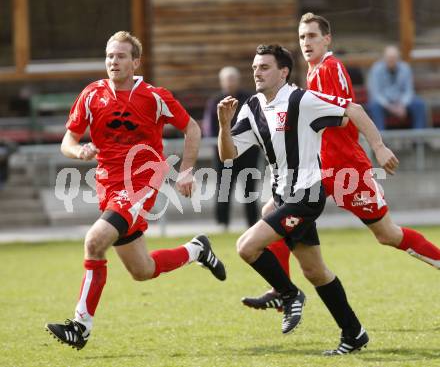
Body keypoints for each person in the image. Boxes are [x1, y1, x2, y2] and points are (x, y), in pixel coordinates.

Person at [242, 13, 440, 353]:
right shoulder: (313, 72)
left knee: (387, 235)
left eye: (313, 36)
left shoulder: (330, 68)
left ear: (327, 40)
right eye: (302, 37)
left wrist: (378, 145)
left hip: (347, 168)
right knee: (272, 208)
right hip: (321, 170)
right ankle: (284, 292)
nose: (306, 42)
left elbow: (348, 110)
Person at [45, 31, 226, 350]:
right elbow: (67, 142)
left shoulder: (154, 96)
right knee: (142, 270)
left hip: (142, 181)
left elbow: (192, 128)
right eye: (109, 55)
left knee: (94, 241)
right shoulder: (92, 94)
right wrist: (80, 152)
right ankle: (197, 250)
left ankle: (80, 327)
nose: (113, 61)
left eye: (120, 56)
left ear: (135, 62)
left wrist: (186, 170)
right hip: (108, 186)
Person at [218, 44, 398, 354]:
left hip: (307, 194)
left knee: (246, 246)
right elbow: (228, 155)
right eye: (255, 67)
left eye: (264, 67)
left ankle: (289, 295)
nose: (256, 72)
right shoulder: (251, 107)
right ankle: (354, 334)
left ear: (283, 71)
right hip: (283, 195)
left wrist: (379, 147)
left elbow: (352, 110)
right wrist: (223, 125)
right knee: (315, 272)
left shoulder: (301, 100)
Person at [203, 66, 259, 230]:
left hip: (248, 151)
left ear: (238, 80)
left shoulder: (250, 99)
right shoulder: (215, 102)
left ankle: (253, 223)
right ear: (221, 82)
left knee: (250, 189)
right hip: (225, 154)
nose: (229, 83)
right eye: (226, 80)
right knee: (224, 188)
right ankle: (223, 223)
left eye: (232, 79)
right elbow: (209, 128)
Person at [367, 45, 427, 130]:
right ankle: (380, 139)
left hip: (401, 101)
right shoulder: (376, 69)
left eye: (394, 57)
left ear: (398, 58)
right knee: (374, 105)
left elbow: (409, 90)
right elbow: (375, 93)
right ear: (384, 58)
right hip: (383, 103)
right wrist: (390, 107)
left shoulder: (405, 68)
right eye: (389, 57)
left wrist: (402, 105)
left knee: (419, 104)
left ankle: (419, 138)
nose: (391, 60)